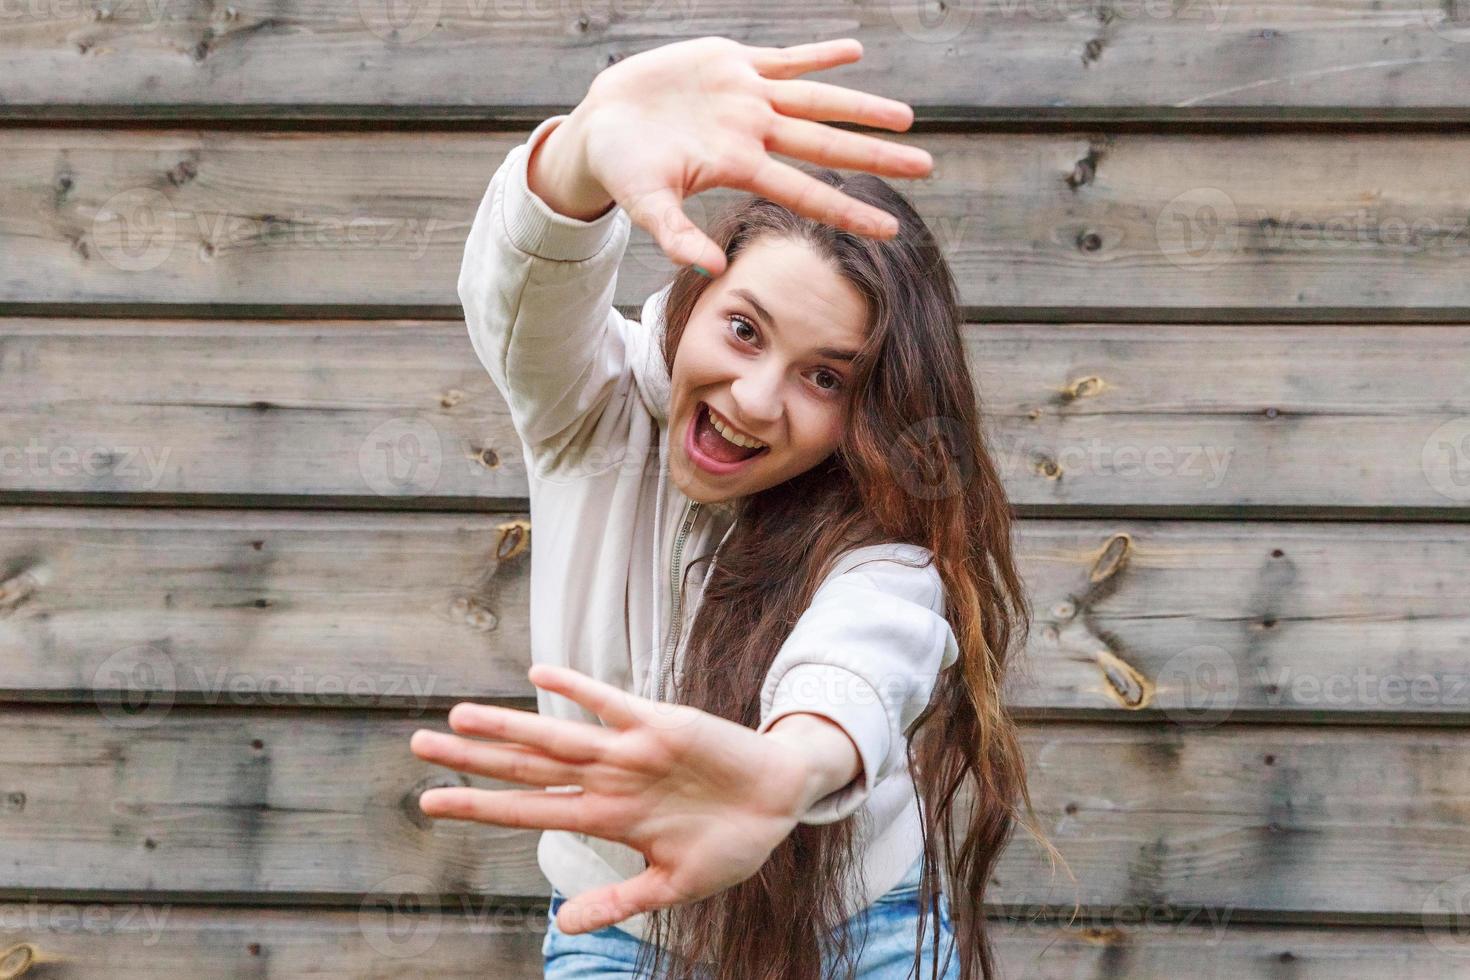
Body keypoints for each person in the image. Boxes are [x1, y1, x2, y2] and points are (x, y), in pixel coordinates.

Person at [409, 35, 1060, 980]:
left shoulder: (878, 523)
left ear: (867, 411)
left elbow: (867, 653)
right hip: (621, 933)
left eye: (825, 376)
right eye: (744, 329)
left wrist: (783, 771)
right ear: (692, 297)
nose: (755, 399)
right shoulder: (594, 411)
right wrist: (585, 152)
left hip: (863, 935)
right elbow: (524, 296)